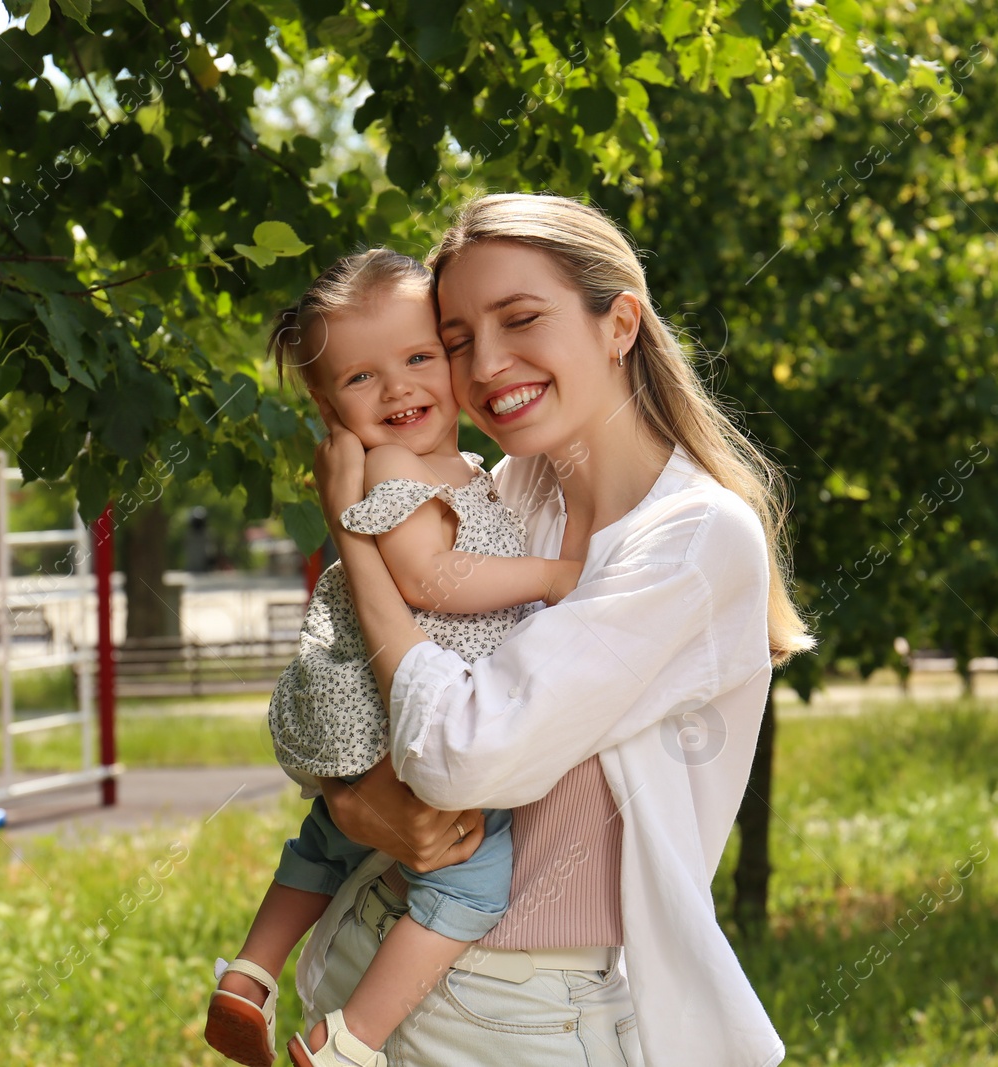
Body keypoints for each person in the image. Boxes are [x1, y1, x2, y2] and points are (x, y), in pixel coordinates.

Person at [297, 193, 817, 1066]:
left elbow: (460, 753)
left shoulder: (692, 538)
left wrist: (356, 531)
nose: (487, 363)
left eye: (521, 318)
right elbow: (347, 693)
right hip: (372, 952)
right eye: (456, 340)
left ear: (619, 323)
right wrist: (353, 804)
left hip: (520, 1012)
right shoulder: (511, 493)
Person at [205, 248, 584, 1067]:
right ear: (327, 404)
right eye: (362, 379)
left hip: (373, 712)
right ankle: (350, 1039)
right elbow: (429, 577)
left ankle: (249, 974)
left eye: (419, 358)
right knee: (470, 880)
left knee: (326, 841)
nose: (400, 388)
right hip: (403, 705)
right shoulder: (395, 467)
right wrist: (552, 575)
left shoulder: (461, 469)